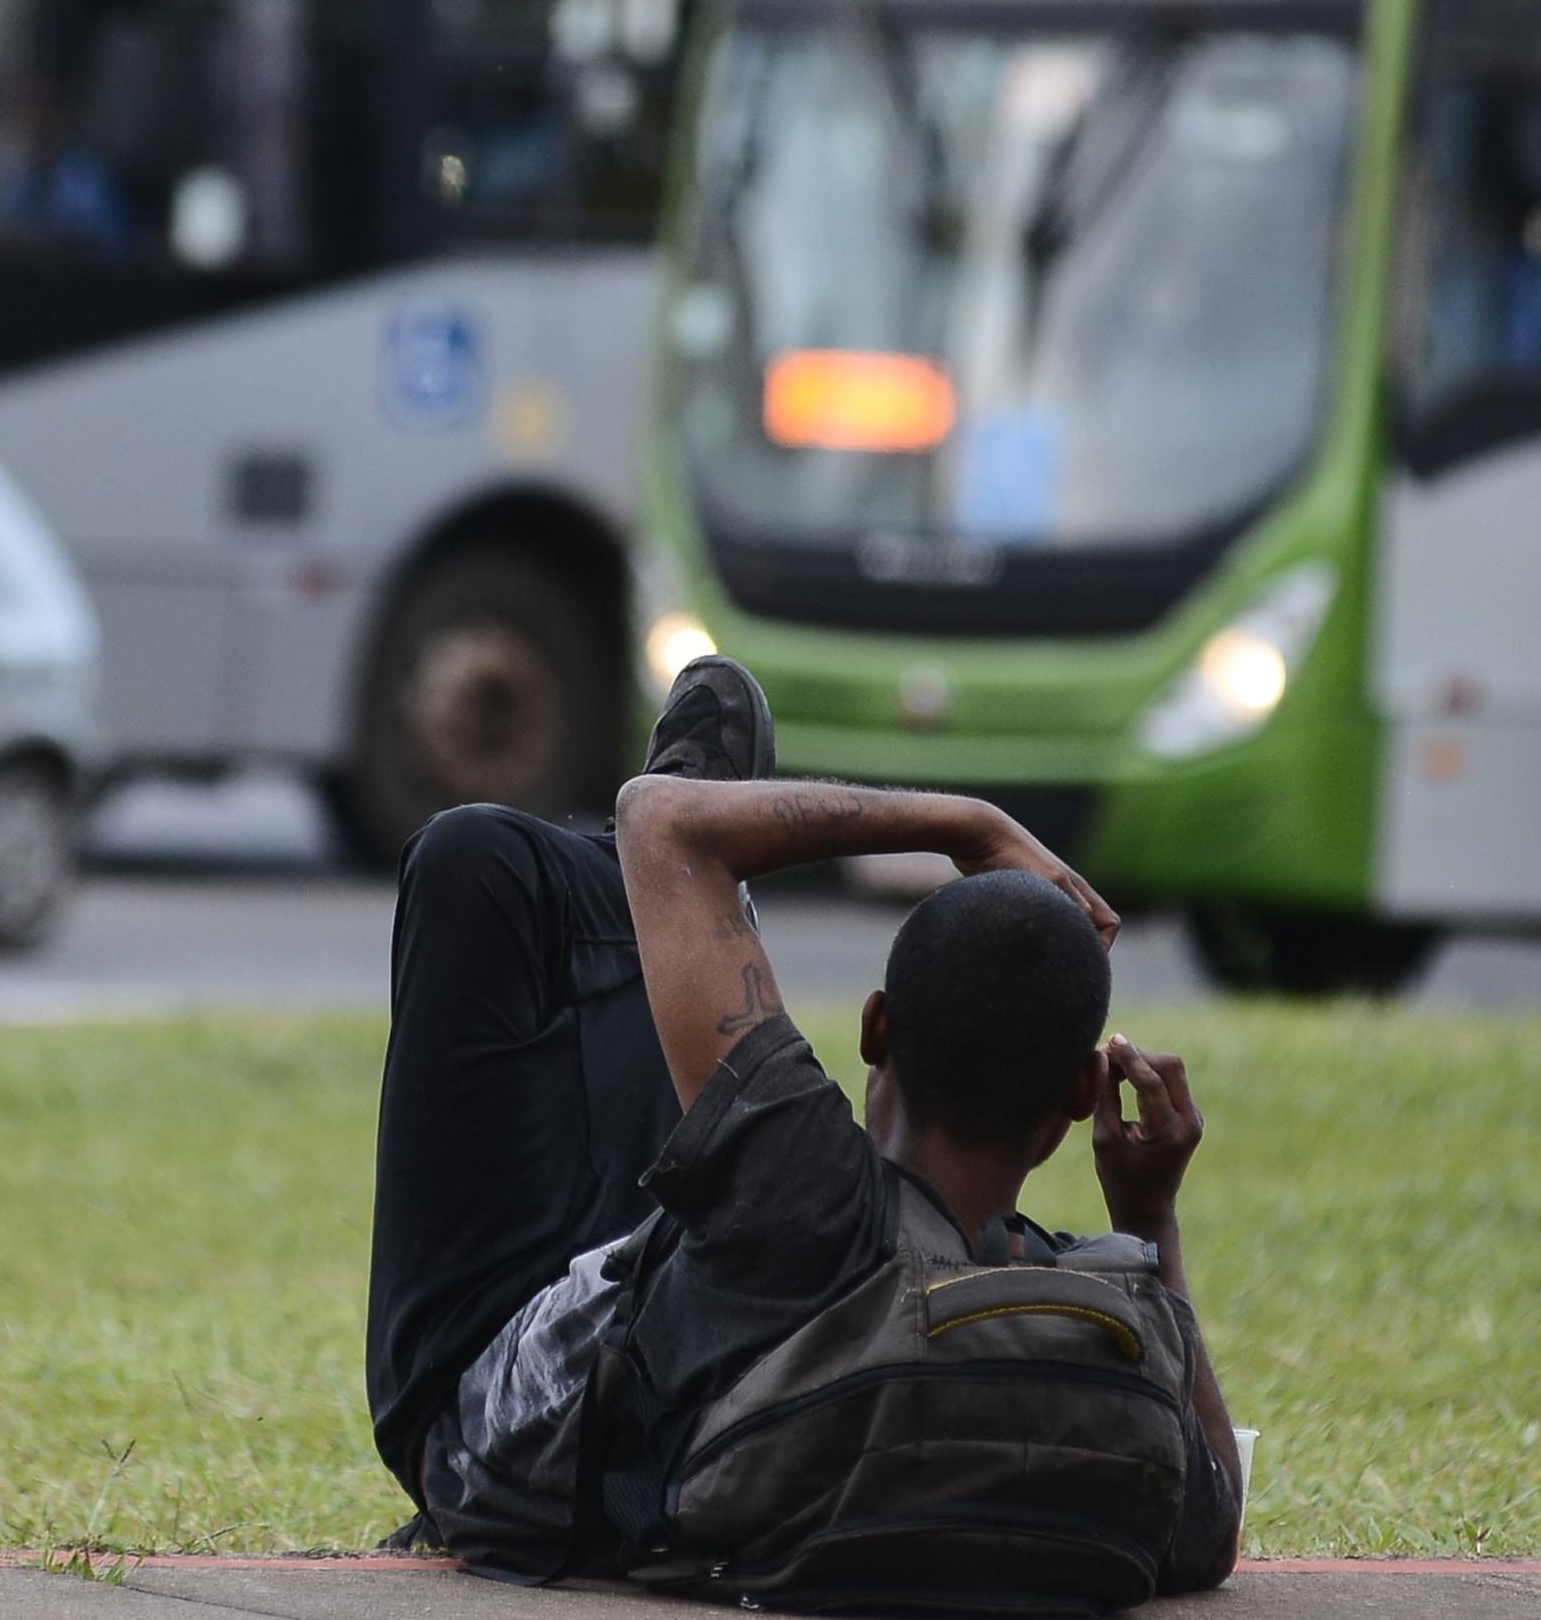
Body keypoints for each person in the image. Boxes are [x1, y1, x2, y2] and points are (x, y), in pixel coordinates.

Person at [365, 656, 1240, 1600]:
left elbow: (652, 821)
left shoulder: (803, 1195)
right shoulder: (1116, 1314)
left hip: (516, 1459)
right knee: (705, 1163)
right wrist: (1149, 1218)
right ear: (1081, 1093)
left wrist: (965, 823)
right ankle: (668, 895)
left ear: (876, 1031)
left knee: (477, 861)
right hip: (696, 1422)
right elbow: (1212, 1530)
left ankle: (676, 882)